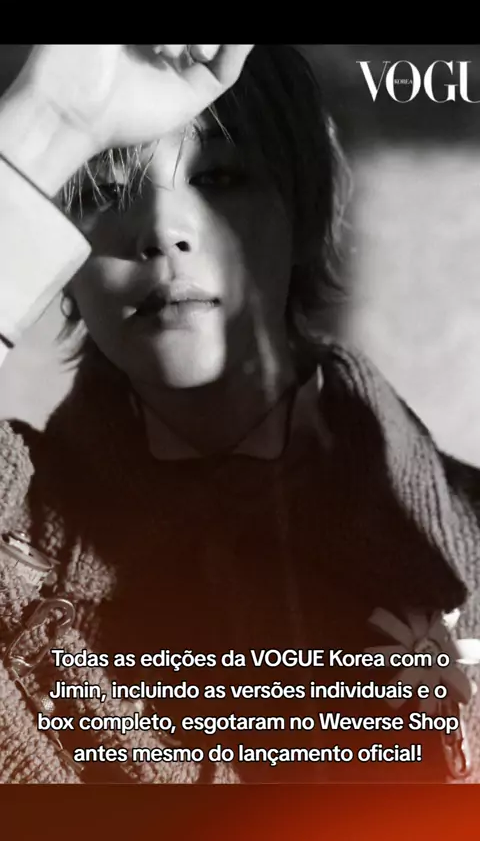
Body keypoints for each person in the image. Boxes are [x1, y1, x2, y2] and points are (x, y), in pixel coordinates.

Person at [0, 44, 479, 786]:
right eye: (106, 191)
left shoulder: (458, 544)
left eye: (221, 178)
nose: (162, 230)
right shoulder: (16, 541)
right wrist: (53, 122)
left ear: (305, 212)